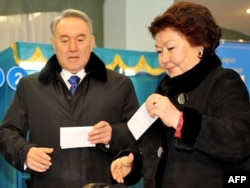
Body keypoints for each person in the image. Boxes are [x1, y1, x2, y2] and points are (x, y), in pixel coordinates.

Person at [110, 2, 250, 188]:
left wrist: (180, 121)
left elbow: (239, 141)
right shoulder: (164, 90)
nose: (163, 59)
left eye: (171, 48)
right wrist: (133, 162)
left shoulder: (223, 81)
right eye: (159, 51)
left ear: (200, 46)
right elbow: (154, 148)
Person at [0, 9, 139, 188]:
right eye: (64, 40)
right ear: (54, 43)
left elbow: (140, 136)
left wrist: (114, 135)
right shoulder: (30, 87)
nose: (73, 47)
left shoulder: (120, 85)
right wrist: (24, 152)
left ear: (91, 42)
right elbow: (7, 131)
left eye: (80, 40)